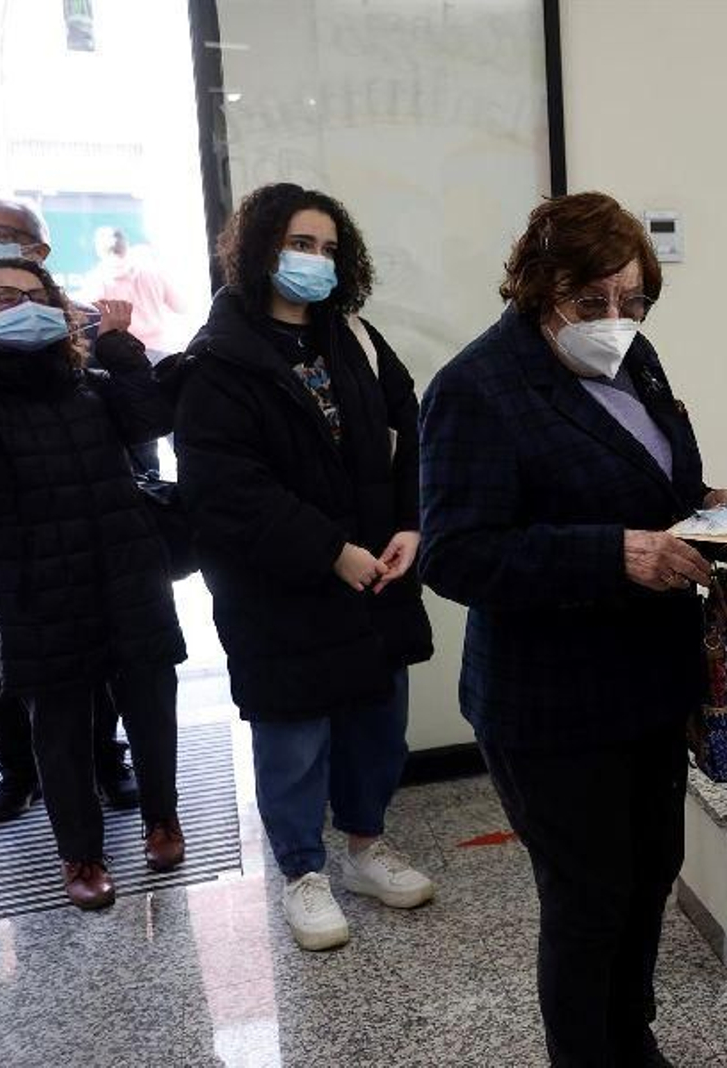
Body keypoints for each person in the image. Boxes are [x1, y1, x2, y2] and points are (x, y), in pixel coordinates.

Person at [420, 191, 727, 1067]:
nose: (613, 320)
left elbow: (654, 475)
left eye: (631, 302)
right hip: (550, 704)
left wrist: (705, 509)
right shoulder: (477, 389)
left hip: (648, 680)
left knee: (646, 882)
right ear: (535, 288)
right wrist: (615, 555)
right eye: (588, 302)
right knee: (588, 900)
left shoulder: (635, 359)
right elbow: (457, 555)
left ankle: (633, 1042)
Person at [174, 183, 435, 951]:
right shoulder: (217, 361)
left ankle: (365, 848)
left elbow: (411, 432)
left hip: (378, 577)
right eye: (299, 245)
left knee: (376, 725)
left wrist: (411, 526)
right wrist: (330, 550)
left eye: (326, 248)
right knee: (293, 738)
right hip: (280, 591)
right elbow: (226, 489)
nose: (314, 262)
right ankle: (302, 872)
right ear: (258, 251)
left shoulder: (354, 337)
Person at [0, 257, 186, 908]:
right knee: (60, 728)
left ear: (56, 304)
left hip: (126, 568)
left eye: (30, 293)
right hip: (37, 587)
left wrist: (121, 346)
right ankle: (80, 856)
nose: (17, 305)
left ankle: (163, 817)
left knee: (153, 704)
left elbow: (150, 420)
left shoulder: (92, 382)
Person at [0, 197, 142, 821]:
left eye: (9, 235)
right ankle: (18, 772)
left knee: (95, 662)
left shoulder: (72, 320)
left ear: (41, 250)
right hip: (5, 536)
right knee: (3, 667)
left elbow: (131, 422)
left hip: (83, 519)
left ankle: (109, 762)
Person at [80, 226, 188, 352]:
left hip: (124, 354)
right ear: (126, 245)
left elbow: (87, 322)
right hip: (160, 352)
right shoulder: (154, 272)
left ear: (99, 250)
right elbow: (181, 307)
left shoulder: (95, 280)